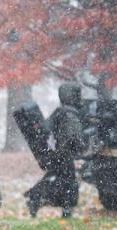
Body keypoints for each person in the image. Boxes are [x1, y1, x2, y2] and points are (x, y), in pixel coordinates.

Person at [27, 83, 85, 218]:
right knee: (67, 183)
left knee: (58, 180)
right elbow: (73, 136)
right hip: (64, 154)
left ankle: (36, 199)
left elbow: (47, 129)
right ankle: (62, 208)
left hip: (57, 154)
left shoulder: (60, 111)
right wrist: (77, 147)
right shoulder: (69, 113)